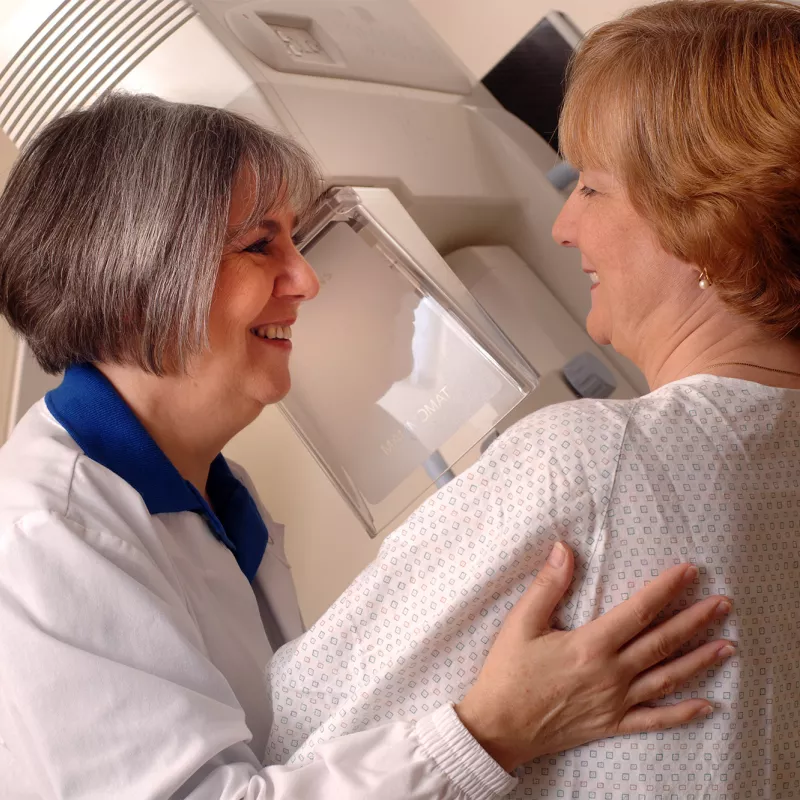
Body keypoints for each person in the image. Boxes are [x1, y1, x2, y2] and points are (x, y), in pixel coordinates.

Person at [0, 94, 733, 800]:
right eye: (261, 246)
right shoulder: (41, 537)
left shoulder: (220, 493)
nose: (307, 280)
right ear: (134, 283)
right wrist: (490, 733)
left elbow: (286, 749)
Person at [260, 0, 800, 797]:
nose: (565, 226)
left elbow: (293, 729)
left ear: (700, 222)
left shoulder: (588, 461)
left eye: (590, 188)